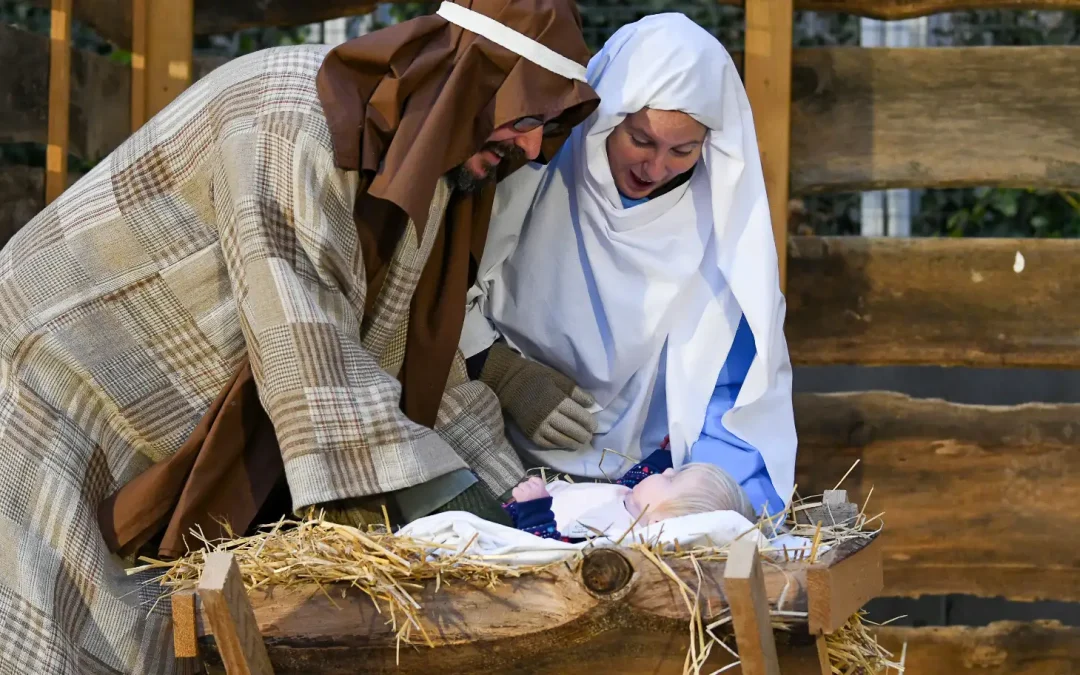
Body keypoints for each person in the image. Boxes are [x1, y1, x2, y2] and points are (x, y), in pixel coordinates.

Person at [0, 1, 598, 671]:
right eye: (525, 120)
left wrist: (524, 516)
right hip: (51, 384)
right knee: (54, 644)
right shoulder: (294, 119)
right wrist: (474, 523)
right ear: (468, 86)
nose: (531, 148)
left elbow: (408, 371)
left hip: (151, 412)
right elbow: (312, 360)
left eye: (546, 129)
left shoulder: (423, 175)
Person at [460, 13, 797, 522]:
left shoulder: (715, 232)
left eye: (682, 150)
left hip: (642, 483)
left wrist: (685, 512)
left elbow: (730, 399)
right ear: (607, 118)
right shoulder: (532, 178)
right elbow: (447, 299)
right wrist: (505, 376)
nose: (655, 168)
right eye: (641, 140)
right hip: (496, 454)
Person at [503, 443, 756, 541]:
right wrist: (662, 454)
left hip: (510, 526)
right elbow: (634, 479)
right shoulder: (632, 499)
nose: (668, 471)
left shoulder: (614, 537)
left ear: (660, 524)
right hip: (517, 502)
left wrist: (533, 510)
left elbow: (548, 552)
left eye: (672, 480)